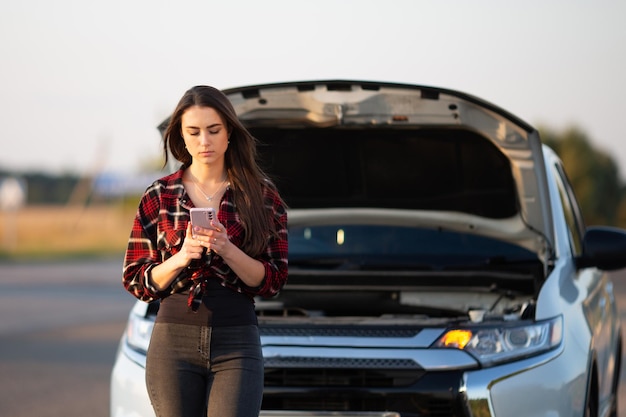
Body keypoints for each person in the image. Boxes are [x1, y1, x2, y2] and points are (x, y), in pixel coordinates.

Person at [122, 85, 289, 417]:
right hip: (172, 341)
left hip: (237, 340)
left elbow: (272, 279)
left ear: (229, 133)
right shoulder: (159, 195)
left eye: (213, 130)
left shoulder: (262, 195)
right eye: (193, 132)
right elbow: (136, 280)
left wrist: (227, 249)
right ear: (181, 137)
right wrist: (182, 256)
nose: (204, 141)